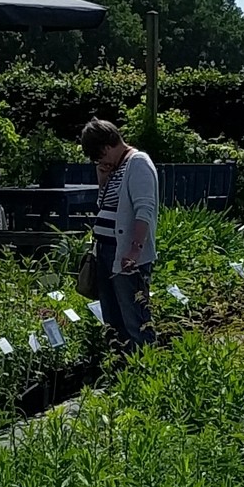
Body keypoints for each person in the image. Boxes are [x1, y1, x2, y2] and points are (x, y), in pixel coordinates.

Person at [80, 118, 159, 352]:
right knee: (112, 317)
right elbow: (107, 206)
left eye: (98, 157)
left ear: (105, 148)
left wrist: (134, 250)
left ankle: (145, 366)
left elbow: (145, 210)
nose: (100, 162)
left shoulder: (138, 163)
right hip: (105, 250)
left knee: (134, 316)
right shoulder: (115, 167)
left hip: (124, 253)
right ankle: (121, 368)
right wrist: (102, 179)